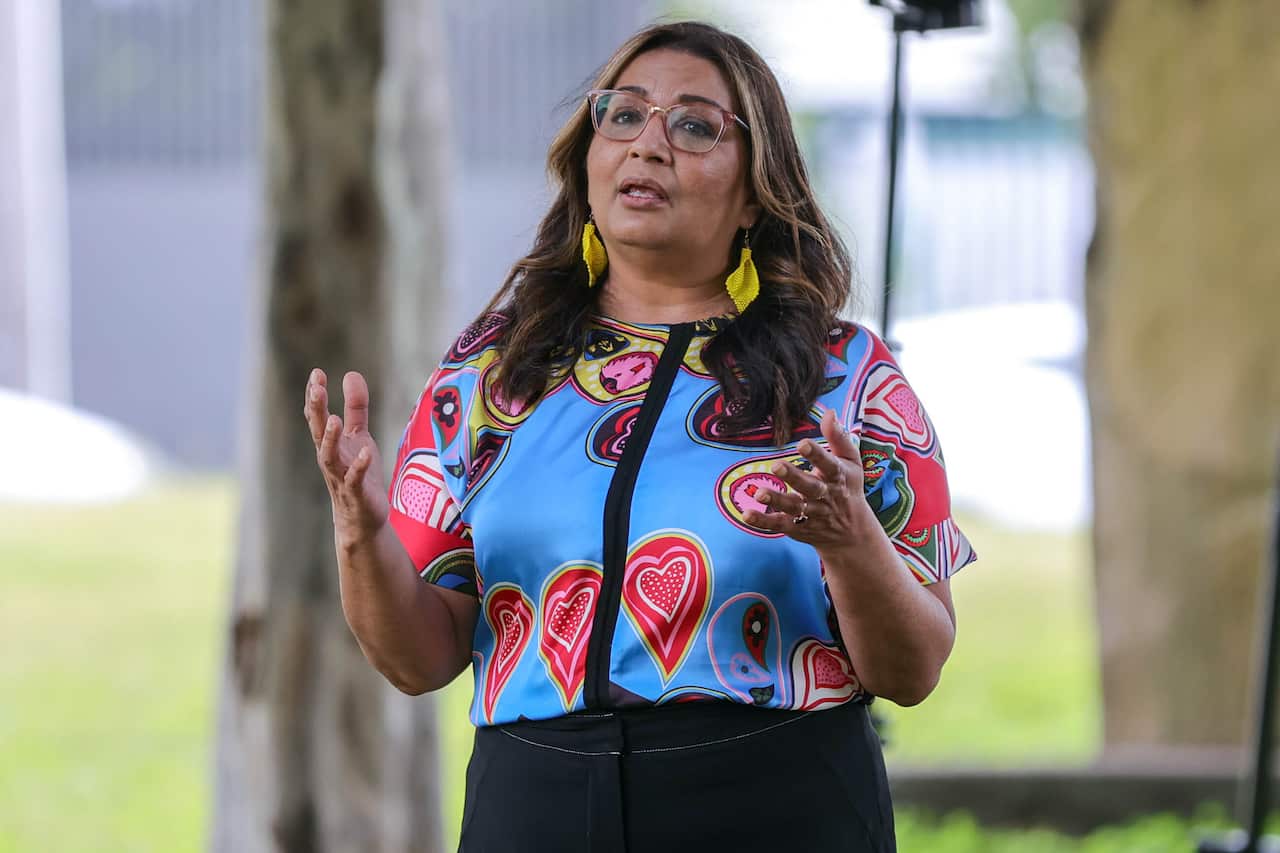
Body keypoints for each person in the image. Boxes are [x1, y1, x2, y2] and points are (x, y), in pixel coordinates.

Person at [303, 20, 975, 853]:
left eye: (694, 126)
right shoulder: (490, 373)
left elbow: (911, 672)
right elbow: (417, 659)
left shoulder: (847, 378)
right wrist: (361, 532)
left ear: (758, 191)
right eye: (622, 116)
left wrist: (850, 538)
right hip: (532, 805)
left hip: (773, 802)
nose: (648, 145)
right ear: (588, 159)